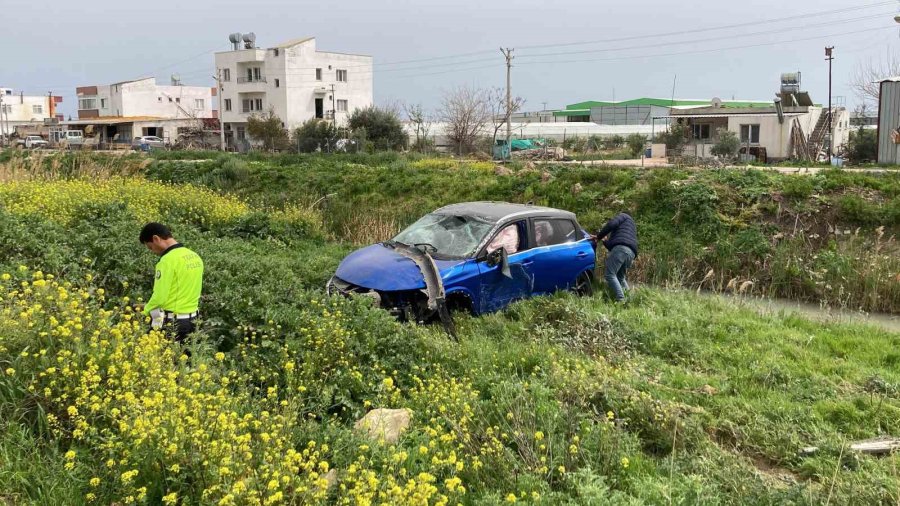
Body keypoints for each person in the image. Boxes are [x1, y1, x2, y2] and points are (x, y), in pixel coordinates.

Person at [139, 222, 204, 343]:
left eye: (150, 247)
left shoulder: (167, 261)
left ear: (156, 239)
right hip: (194, 321)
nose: (152, 251)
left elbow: (160, 297)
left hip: (173, 323)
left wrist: (144, 312)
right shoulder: (194, 256)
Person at [596, 213, 638, 302]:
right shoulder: (630, 226)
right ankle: (630, 300)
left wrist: (598, 236)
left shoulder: (624, 216)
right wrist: (605, 241)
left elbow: (611, 224)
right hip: (631, 253)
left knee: (609, 274)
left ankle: (621, 299)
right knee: (620, 277)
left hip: (621, 249)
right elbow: (614, 246)